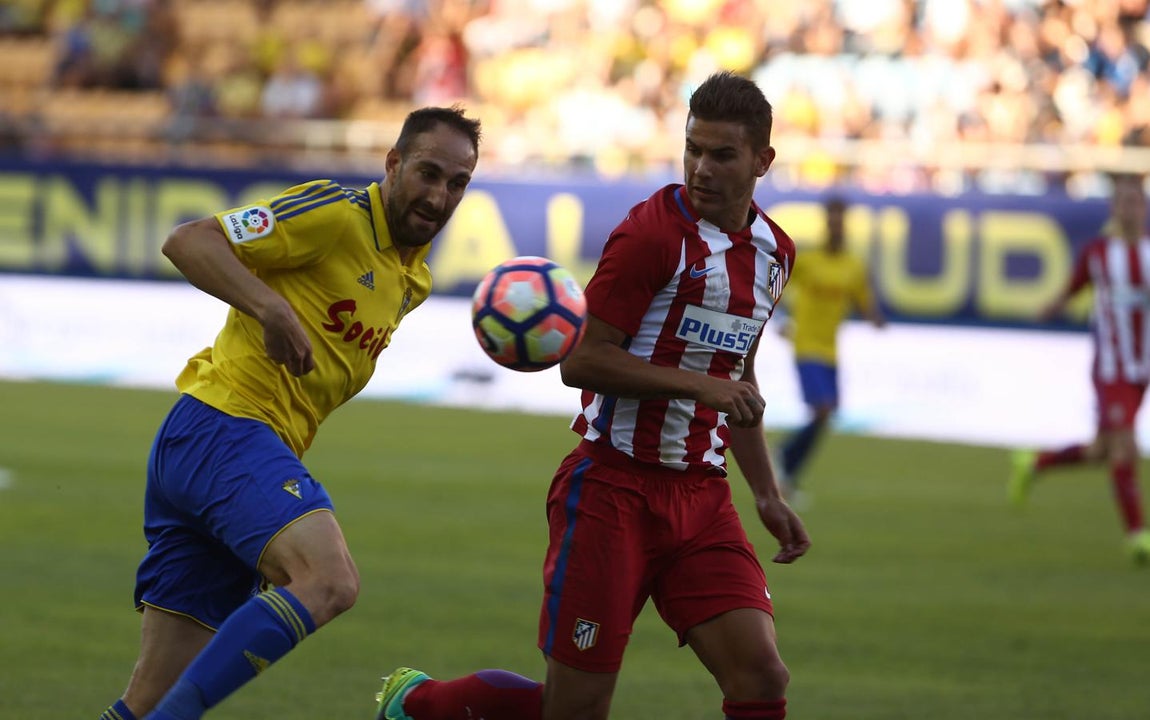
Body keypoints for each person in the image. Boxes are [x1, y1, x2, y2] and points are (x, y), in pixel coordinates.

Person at [376, 71, 810, 720]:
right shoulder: (651, 236)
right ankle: (419, 705)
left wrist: (768, 495)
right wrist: (702, 386)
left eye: (722, 154)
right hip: (612, 491)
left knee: (761, 676)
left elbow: (738, 379)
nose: (701, 167)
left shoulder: (775, 253)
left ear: (762, 161)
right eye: (693, 148)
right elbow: (581, 361)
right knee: (576, 708)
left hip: (700, 496)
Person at [97, 106, 481, 720]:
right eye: (428, 173)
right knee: (329, 581)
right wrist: (270, 309)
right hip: (222, 429)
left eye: (457, 183)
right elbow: (190, 240)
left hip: (223, 452)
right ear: (393, 163)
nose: (439, 196)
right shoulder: (333, 213)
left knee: (148, 702)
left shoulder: (413, 282)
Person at [1009, 172, 1150, 564]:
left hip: (1143, 368)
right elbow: (1070, 290)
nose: (1130, 209)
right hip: (1111, 366)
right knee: (1125, 445)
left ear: (1144, 207)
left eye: (1136, 201)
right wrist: (1043, 312)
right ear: (1114, 209)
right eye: (1123, 202)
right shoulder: (1098, 253)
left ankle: (1035, 463)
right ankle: (1138, 535)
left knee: (1101, 450)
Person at [776, 196, 884, 500]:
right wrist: (780, 320)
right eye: (832, 220)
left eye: (840, 221)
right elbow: (776, 287)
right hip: (805, 344)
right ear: (826, 223)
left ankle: (787, 471)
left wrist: (875, 318)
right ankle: (783, 457)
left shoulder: (853, 265)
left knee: (828, 413)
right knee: (822, 410)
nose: (836, 227)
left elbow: (864, 302)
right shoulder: (808, 261)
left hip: (831, 350)